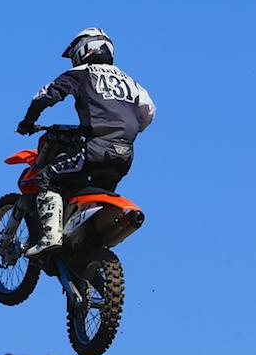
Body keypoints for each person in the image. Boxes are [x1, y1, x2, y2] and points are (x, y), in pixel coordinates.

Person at [14, 28, 155, 257]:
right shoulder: (131, 81)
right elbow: (148, 113)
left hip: (95, 149)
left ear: (86, 49)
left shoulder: (81, 72)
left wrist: (28, 121)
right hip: (125, 155)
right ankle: (83, 251)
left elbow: (45, 95)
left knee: (46, 177)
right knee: (84, 191)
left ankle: (50, 237)